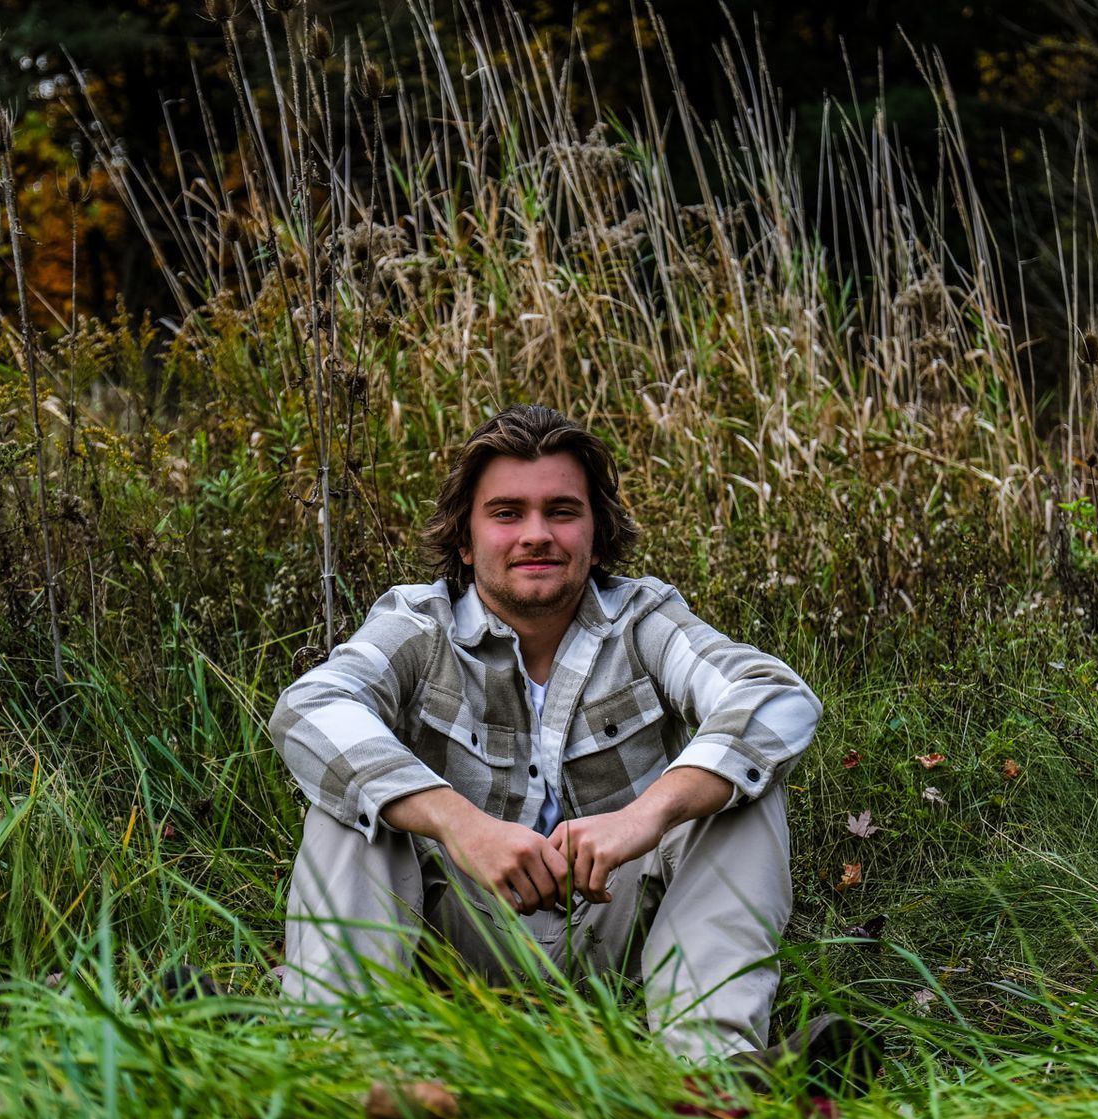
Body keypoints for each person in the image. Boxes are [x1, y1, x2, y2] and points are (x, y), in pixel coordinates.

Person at [271, 404, 866, 1078]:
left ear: (596, 533)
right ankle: (338, 1067)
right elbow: (312, 706)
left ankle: (709, 1077)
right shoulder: (420, 624)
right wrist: (459, 823)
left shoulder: (644, 620)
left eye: (561, 511)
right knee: (355, 802)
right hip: (458, 944)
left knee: (742, 792)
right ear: (466, 540)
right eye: (506, 513)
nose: (536, 535)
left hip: (619, 936)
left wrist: (647, 816)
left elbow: (775, 697)